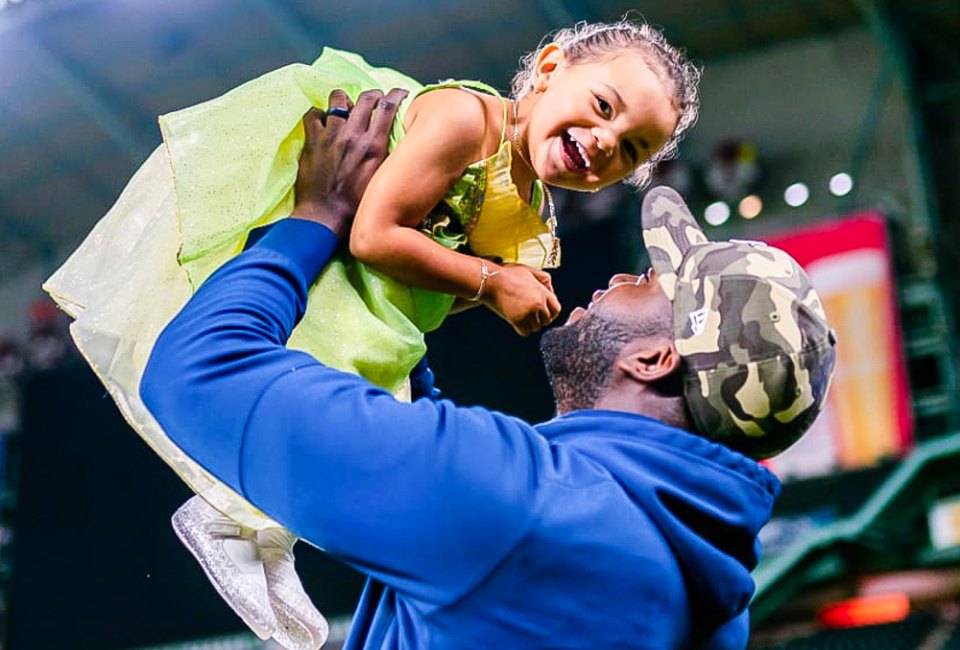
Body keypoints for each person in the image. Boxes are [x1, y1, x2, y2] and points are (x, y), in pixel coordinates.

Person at [44, 18, 701, 649]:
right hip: (349, 256)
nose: (607, 141)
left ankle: (258, 523)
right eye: (604, 105)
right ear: (551, 70)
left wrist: (491, 290)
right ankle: (234, 518)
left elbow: (435, 291)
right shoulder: (466, 121)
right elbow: (373, 234)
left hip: (384, 293)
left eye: (634, 149)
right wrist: (491, 283)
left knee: (373, 397)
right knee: (334, 381)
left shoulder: (530, 208)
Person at [140, 88, 837, 649]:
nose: (623, 275)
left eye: (649, 281)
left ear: (654, 358)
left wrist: (317, 218)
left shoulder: (526, 503)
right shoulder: (714, 606)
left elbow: (198, 370)